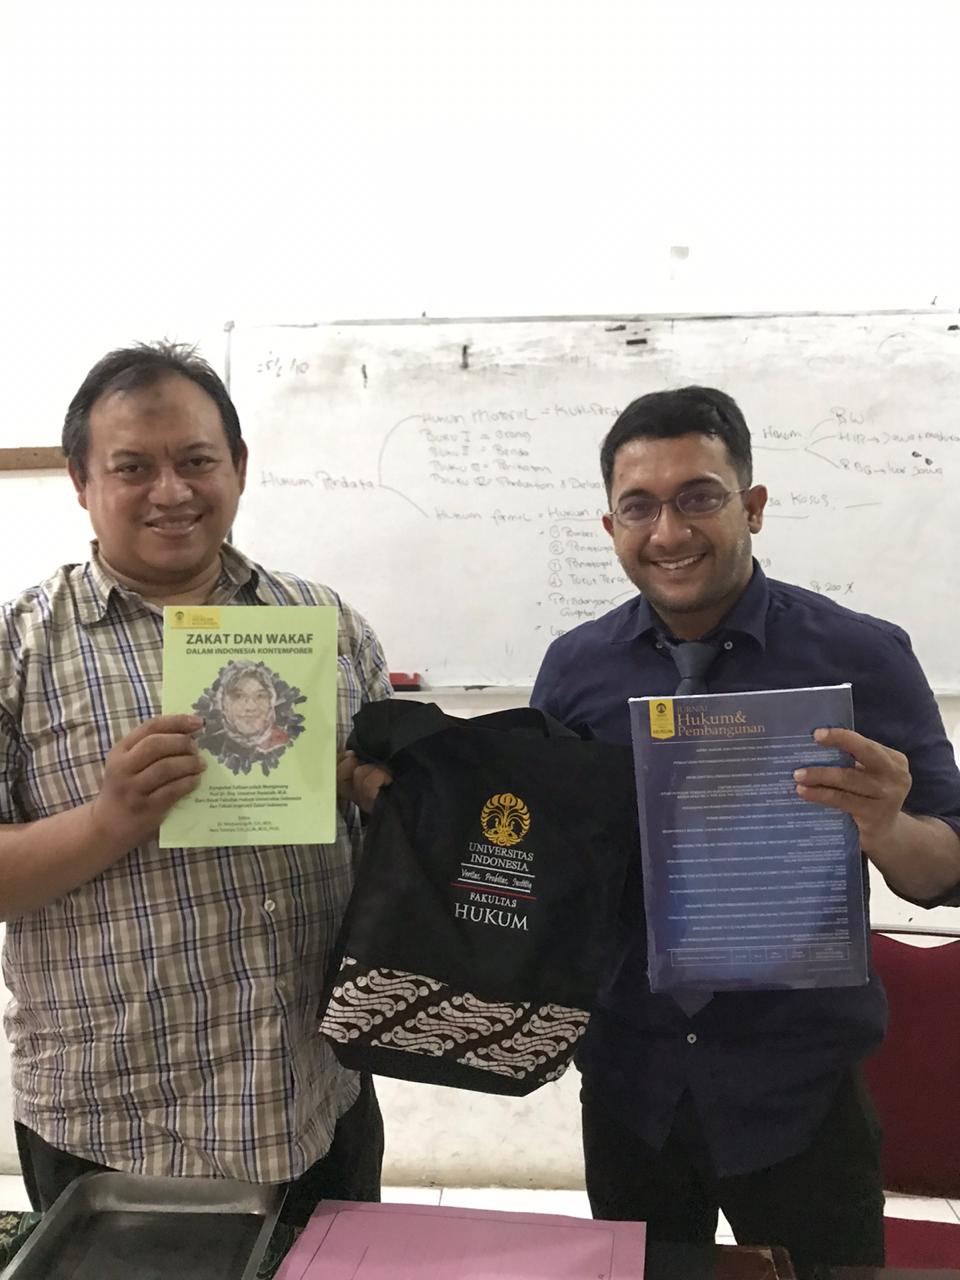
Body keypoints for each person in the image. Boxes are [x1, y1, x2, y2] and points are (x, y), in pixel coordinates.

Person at [530, 386, 960, 1276]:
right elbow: (547, 861)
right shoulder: (574, 670)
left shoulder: (862, 657)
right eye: (639, 506)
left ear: (753, 507)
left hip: (802, 1096)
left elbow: (945, 871)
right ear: (610, 525)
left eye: (698, 497)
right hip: (633, 1091)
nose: (669, 532)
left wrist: (886, 826)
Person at [0, 342, 392, 1227]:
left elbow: (395, 851)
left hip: (318, 1100)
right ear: (81, 480)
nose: (171, 491)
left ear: (239, 467)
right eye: (133, 467)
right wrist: (109, 820)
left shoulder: (327, 627)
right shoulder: (17, 650)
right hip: (116, 1125)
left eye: (196, 461)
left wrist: (382, 798)